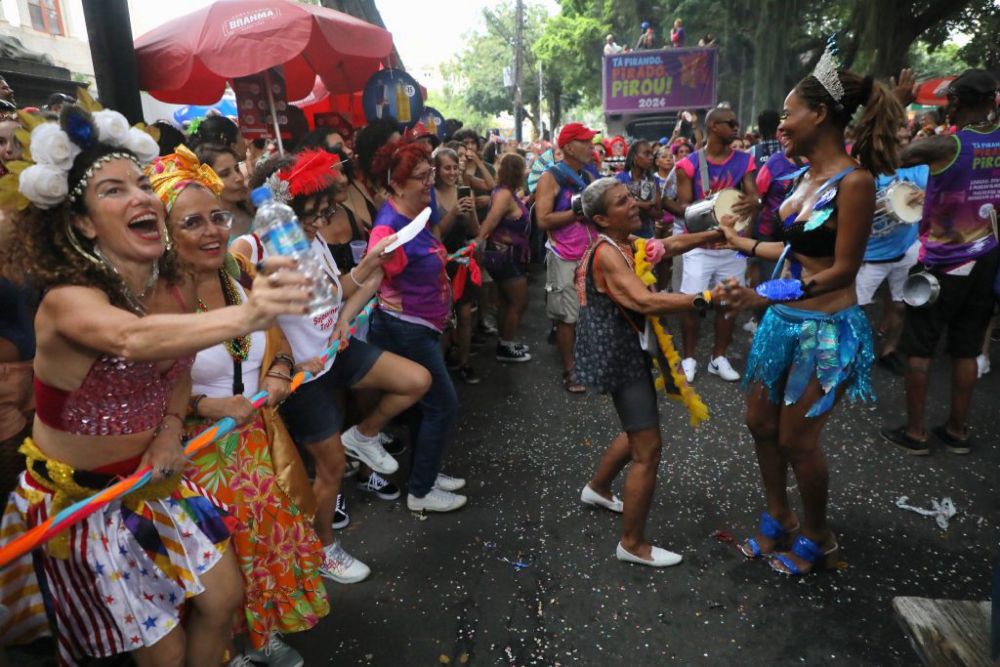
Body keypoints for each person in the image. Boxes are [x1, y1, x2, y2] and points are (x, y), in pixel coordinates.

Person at [0, 105, 312, 664]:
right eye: (114, 191)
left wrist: (170, 431)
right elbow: (131, 340)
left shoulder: (168, 286)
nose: (142, 197)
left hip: (152, 479)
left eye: (143, 184)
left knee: (224, 599)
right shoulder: (66, 301)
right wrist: (248, 316)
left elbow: (178, 364)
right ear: (83, 224)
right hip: (83, 503)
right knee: (161, 655)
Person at [717, 59, 903, 575]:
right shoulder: (803, 175)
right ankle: (780, 518)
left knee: (798, 440)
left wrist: (764, 294)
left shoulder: (855, 183)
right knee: (759, 423)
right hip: (783, 323)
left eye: (789, 115)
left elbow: (843, 270)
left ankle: (819, 537)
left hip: (825, 332)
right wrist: (740, 241)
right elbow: (794, 245)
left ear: (820, 114)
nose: (780, 124)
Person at [150, 145, 328, 664]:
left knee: (261, 547)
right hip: (191, 458)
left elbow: (277, 338)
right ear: (163, 233)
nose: (211, 232)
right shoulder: (154, 300)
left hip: (254, 444)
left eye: (217, 217)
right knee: (213, 571)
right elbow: (144, 391)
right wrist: (208, 406)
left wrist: (277, 370)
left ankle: (259, 636)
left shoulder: (240, 272)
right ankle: (224, 651)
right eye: (192, 223)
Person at [232, 149, 431, 579]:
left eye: (324, 213)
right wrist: (281, 358)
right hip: (303, 375)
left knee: (416, 380)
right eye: (311, 214)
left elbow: (333, 292)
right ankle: (324, 548)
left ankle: (365, 435)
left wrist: (358, 286)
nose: (320, 223)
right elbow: (243, 318)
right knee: (331, 468)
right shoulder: (249, 247)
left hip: (334, 349)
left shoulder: (314, 236)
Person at [574, 178, 726, 567]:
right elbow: (643, 299)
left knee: (637, 428)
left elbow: (667, 246)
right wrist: (704, 297)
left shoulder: (624, 243)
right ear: (602, 219)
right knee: (648, 448)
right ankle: (632, 544)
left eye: (630, 196)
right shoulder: (608, 253)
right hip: (620, 356)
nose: (634, 204)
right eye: (623, 202)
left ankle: (598, 488)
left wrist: (714, 233)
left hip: (629, 349)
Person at [880, 68, 1000, 456]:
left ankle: (915, 433)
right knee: (967, 347)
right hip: (987, 260)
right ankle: (957, 430)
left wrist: (897, 102)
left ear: (957, 102)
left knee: (920, 345)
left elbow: (887, 158)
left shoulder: (946, 147)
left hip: (943, 263)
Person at [367, 139, 469, 513]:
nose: (430, 181)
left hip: (424, 323)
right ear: (396, 184)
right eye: (421, 176)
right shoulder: (388, 226)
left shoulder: (419, 212)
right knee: (442, 405)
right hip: (405, 326)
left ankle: (426, 472)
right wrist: (385, 257)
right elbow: (378, 265)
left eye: (430, 173)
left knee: (428, 407)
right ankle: (421, 492)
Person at [669, 105, 760, 382]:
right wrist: (710, 207)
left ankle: (718, 357)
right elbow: (685, 206)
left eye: (736, 123)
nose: (736, 127)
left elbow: (754, 197)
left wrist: (753, 202)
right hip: (700, 246)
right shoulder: (689, 164)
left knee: (728, 303)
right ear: (713, 127)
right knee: (694, 302)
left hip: (732, 246)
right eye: (730, 123)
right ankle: (688, 358)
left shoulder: (745, 161)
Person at [855, 125, 927, 377]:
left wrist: (925, 195)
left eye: (907, 139)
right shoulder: (868, 173)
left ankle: (889, 351)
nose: (904, 145)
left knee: (901, 305)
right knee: (855, 308)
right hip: (870, 255)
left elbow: (937, 191)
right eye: (898, 141)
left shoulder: (918, 170)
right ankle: (851, 351)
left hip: (906, 248)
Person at [535, 122, 599, 393]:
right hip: (564, 256)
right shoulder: (551, 177)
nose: (591, 147)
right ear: (569, 147)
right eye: (585, 142)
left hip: (591, 254)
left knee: (588, 314)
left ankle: (585, 360)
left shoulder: (589, 174)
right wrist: (577, 212)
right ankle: (570, 370)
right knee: (568, 317)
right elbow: (543, 219)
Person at [476, 152, 532, 362]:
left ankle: (505, 341)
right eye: (524, 168)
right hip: (503, 257)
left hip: (508, 255)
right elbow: (492, 219)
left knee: (507, 302)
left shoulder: (506, 192)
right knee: (519, 301)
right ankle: (505, 347)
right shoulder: (504, 195)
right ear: (516, 172)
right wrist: (478, 239)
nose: (527, 171)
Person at [433, 146, 481, 382]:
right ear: (436, 170)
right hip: (440, 262)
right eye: (446, 168)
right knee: (443, 317)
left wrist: (470, 212)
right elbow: (435, 236)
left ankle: (465, 362)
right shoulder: (429, 195)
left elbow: (475, 231)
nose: (451, 172)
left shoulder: (465, 192)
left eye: (454, 167)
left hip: (463, 260)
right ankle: (440, 368)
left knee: (465, 314)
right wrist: (452, 213)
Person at [194, 143, 253, 238]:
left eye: (237, 169)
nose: (239, 178)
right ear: (205, 182)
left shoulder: (256, 207)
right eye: (225, 174)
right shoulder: (207, 232)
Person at [616, 139, 661, 239]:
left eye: (652, 154)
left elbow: (658, 214)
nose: (651, 157)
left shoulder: (651, 180)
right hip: (624, 236)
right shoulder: (620, 179)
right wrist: (643, 204)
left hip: (648, 236)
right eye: (646, 154)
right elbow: (618, 210)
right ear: (635, 157)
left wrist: (634, 202)